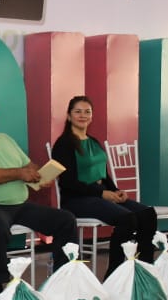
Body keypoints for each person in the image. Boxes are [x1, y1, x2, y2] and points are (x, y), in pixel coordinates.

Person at [0, 97, 77, 298]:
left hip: (19, 204)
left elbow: (27, 166)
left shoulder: (6, 140)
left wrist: (39, 175)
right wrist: (20, 174)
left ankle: (62, 278)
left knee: (66, 220)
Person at [50, 95, 156, 278]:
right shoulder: (64, 145)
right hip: (77, 199)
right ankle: (114, 273)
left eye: (87, 112)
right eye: (77, 112)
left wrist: (115, 191)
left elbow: (103, 174)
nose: (83, 115)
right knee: (127, 219)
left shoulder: (93, 141)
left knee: (148, 214)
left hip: (99, 195)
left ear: (92, 116)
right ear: (68, 116)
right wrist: (102, 193)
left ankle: (143, 269)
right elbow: (68, 182)